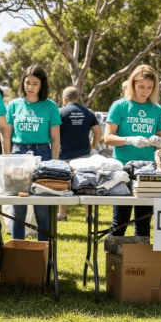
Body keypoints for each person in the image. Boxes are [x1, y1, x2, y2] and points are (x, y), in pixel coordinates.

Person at [103, 65, 161, 238]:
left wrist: (158, 141)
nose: (145, 92)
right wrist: (129, 139)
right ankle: (113, 258)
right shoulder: (120, 106)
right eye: (141, 87)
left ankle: (140, 261)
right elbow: (107, 138)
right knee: (121, 220)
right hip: (123, 169)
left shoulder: (157, 109)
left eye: (149, 88)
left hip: (148, 170)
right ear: (132, 85)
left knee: (143, 221)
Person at [6, 65, 61, 241]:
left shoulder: (50, 106)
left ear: (41, 85)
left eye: (35, 83)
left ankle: (43, 257)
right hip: (18, 154)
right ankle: (17, 252)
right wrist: (7, 158)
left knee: (42, 209)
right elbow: (6, 134)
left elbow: (55, 138)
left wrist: (54, 165)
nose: (30, 87)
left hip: (42, 154)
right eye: (27, 82)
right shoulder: (14, 105)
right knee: (18, 210)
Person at [57, 86, 102, 221]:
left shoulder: (60, 112)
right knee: (85, 184)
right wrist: (92, 145)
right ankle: (89, 215)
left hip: (64, 154)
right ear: (78, 98)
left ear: (64, 98)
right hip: (84, 155)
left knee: (63, 185)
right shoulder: (88, 113)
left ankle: (62, 215)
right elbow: (98, 133)